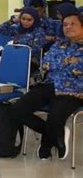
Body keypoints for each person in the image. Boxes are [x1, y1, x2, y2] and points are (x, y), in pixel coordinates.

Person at [10, 12, 82, 160]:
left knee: (55, 115)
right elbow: (46, 64)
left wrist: (61, 64)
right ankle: (57, 134)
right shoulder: (58, 44)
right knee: (17, 109)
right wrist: (69, 62)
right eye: (65, 25)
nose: (68, 27)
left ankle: (47, 145)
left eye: (72, 24)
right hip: (48, 85)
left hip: (73, 90)